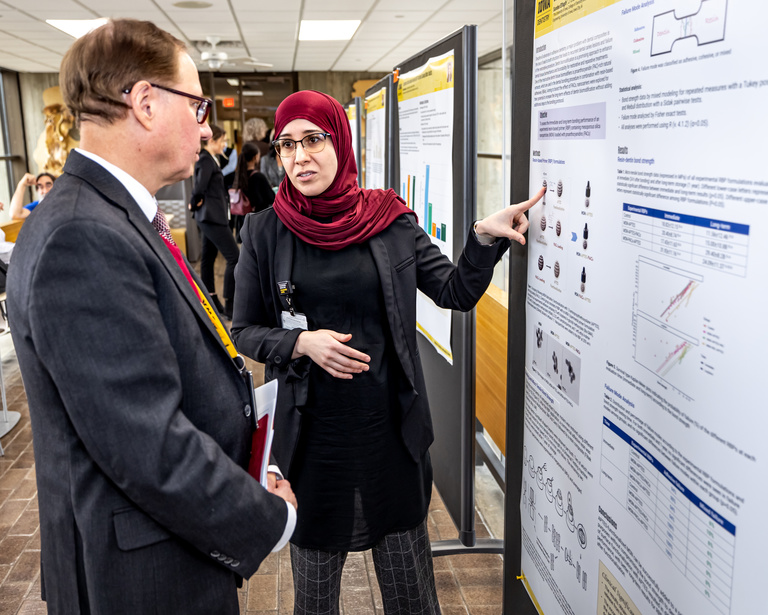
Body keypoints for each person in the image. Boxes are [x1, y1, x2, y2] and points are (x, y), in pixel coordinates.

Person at [7, 18, 296, 615]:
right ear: (143, 103)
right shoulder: (83, 235)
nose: (207, 125)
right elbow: (146, 444)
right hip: (142, 579)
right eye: (197, 106)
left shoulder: (110, 216)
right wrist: (268, 519)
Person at [231, 90, 544, 615]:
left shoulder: (388, 220)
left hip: (388, 435)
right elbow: (244, 330)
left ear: (340, 140)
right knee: (314, 596)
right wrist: (301, 343)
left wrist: (482, 240)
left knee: (410, 593)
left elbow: (453, 292)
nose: (299, 157)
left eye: (313, 140)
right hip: (311, 445)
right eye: (287, 145)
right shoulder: (264, 232)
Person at [191, 123, 240, 319]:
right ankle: (230, 305)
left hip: (212, 216)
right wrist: (193, 204)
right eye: (223, 141)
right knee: (234, 258)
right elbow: (199, 187)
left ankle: (211, 300)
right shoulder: (205, 160)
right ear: (212, 140)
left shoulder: (212, 159)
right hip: (211, 218)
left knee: (208, 258)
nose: (224, 144)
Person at [231, 141, 275, 242]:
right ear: (255, 157)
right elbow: (271, 198)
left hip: (243, 222)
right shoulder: (258, 177)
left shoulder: (238, 177)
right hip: (259, 221)